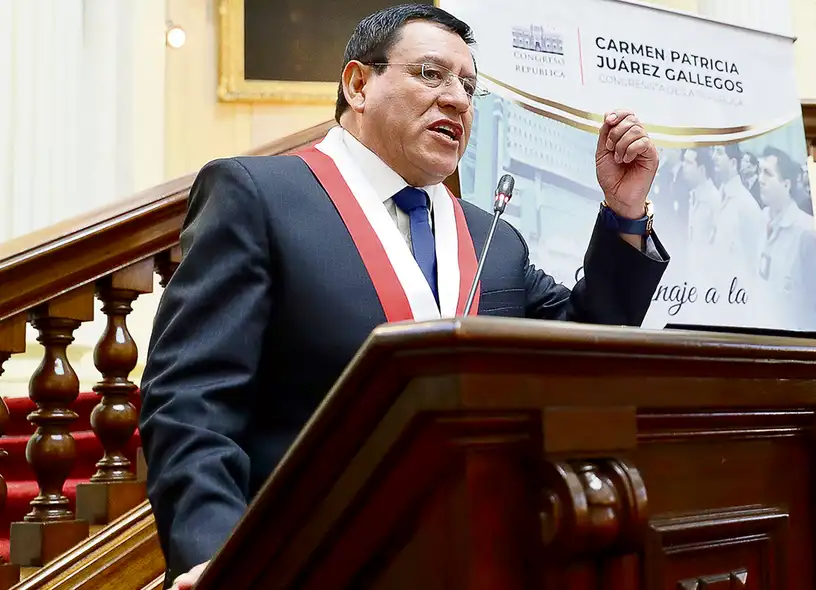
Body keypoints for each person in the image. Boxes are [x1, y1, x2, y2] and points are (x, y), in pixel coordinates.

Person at [139, 4, 669, 589]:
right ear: (358, 84)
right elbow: (192, 399)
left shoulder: (492, 237)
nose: (458, 100)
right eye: (431, 74)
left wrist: (624, 211)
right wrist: (217, 556)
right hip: (310, 564)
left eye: (468, 86)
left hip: (476, 559)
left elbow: (582, 342)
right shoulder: (261, 197)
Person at [756, 146, 816, 329]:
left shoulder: (806, 232)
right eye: (759, 172)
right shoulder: (760, 220)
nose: (759, 180)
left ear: (786, 184)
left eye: (767, 174)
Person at [712, 144, 765, 274]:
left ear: (733, 162)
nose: (714, 157)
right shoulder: (718, 196)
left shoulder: (747, 205)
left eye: (719, 152)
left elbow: (754, 260)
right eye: (713, 152)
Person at [681, 147, 721, 269]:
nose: (683, 166)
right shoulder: (694, 195)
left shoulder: (714, 200)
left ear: (702, 169)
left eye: (689, 163)